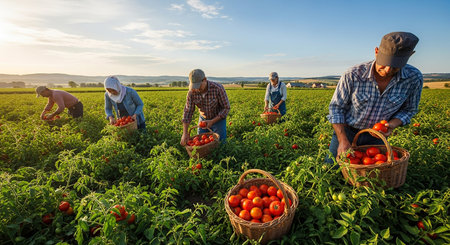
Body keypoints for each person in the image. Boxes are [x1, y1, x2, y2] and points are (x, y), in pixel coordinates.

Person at [326, 32, 422, 163]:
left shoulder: (413, 78)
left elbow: (409, 109)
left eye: (395, 66)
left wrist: (391, 125)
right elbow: (336, 108)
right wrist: (342, 140)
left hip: (377, 137)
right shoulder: (354, 74)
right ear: (376, 51)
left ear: (409, 57)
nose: (388, 70)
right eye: (385, 62)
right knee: (333, 169)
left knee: (373, 177)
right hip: (347, 132)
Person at [180, 69, 230, 145]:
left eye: (199, 85)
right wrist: (185, 133)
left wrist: (212, 121)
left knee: (221, 143)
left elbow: (226, 108)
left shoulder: (218, 88)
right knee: (200, 143)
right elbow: (188, 112)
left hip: (218, 119)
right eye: (194, 86)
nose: (197, 88)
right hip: (203, 119)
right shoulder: (192, 92)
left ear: (205, 80)